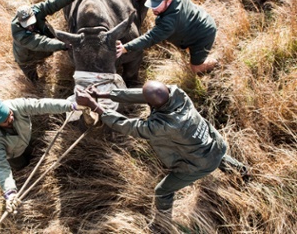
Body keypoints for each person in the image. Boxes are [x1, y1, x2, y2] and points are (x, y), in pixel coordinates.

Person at [75, 80, 249, 232]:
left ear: (153, 104)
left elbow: (126, 126)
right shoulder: (176, 93)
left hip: (200, 163)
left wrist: (94, 105)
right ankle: (243, 172)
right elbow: (144, 94)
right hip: (214, 142)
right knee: (217, 154)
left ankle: (162, 223)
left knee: (162, 191)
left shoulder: (162, 125)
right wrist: (103, 94)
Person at [0, 98, 85, 214]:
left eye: (9, 113)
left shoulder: (16, 106)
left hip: (26, 139)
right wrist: (10, 192)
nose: (11, 118)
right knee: (21, 165)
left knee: (33, 151)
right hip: (14, 155)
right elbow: (0, 166)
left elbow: (41, 105)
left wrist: (70, 106)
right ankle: (23, 169)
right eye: (5, 121)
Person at [116, 0, 219, 75]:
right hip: (199, 18)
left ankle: (215, 62)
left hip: (203, 34)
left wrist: (126, 48)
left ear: (168, 2)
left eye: (156, 5)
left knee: (195, 68)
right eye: (152, 4)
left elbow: (149, 38)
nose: (153, 8)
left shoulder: (169, 22)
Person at [12, 0, 96, 82]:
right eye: (26, 25)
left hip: (42, 49)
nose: (30, 27)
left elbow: (52, 4)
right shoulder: (20, 36)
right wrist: (63, 45)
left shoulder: (36, 11)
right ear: (20, 22)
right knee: (33, 79)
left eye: (31, 23)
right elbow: (42, 43)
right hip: (27, 58)